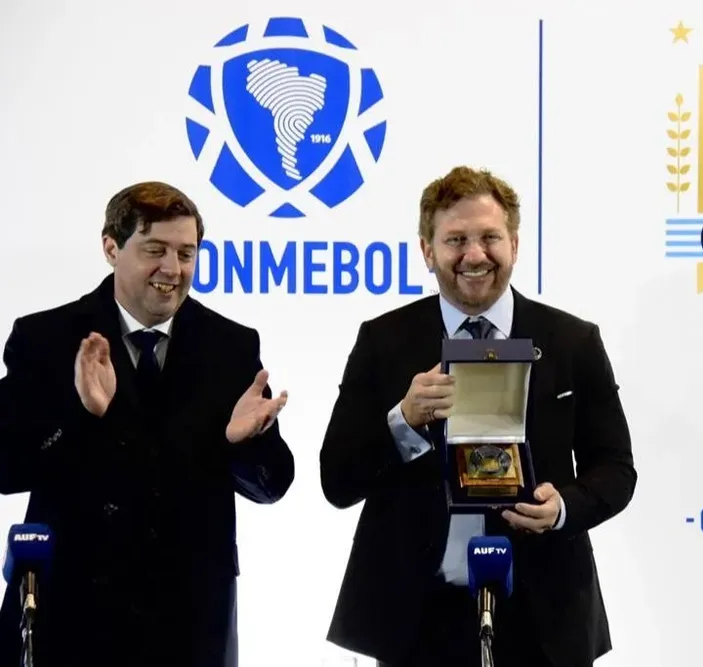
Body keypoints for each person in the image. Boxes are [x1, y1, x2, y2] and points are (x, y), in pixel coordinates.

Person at [319, 166, 637, 667]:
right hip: (417, 618)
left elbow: (617, 469)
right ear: (427, 251)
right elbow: (337, 479)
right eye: (456, 240)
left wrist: (563, 509)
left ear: (513, 242)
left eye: (490, 237)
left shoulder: (574, 341)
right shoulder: (383, 341)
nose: (475, 255)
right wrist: (403, 421)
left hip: (546, 619)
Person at [0, 182, 295, 667]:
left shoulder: (230, 345)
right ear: (111, 247)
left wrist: (247, 443)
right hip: (74, 616)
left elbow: (273, 485)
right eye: (155, 250)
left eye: (186, 253)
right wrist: (82, 414)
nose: (172, 270)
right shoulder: (45, 337)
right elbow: (6, 466)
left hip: (192, 622)